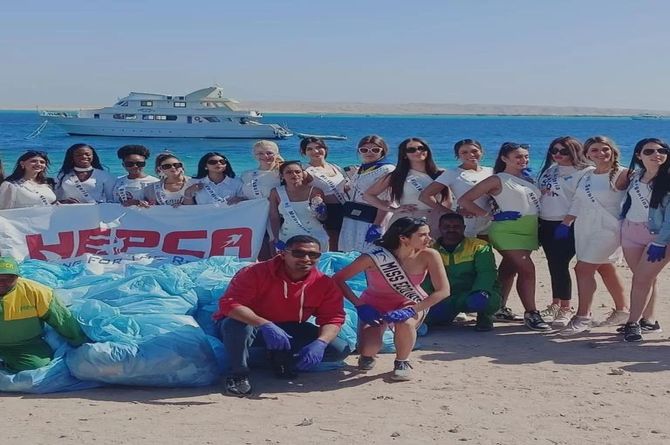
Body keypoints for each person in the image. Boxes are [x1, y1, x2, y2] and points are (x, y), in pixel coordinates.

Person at [214, 235, 350, 396]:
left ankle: (279, 358)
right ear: (283, 254)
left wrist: (321, 342)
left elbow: (333, 317)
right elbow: (229, 304)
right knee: (235, 326)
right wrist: (264, 324)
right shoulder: (254, 272)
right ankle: (238, 374)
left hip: (288, 327)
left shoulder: (324, 283)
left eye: (313, 255)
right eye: (299, 253)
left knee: (339, 349)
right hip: (252, 325)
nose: (306, 259)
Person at [333, 217, 450, 381]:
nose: (430, 239)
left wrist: (412, 310)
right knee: (368, 349)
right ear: (403, 238)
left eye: (428, 234)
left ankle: (402, 361)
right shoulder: (373, 257)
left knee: (406, 323)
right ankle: (367, 356)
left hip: (410, 302)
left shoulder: (430, 255)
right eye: (423, 235)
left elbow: (443, 291)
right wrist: (360, 306)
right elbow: (338, 279)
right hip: (373, 304)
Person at [458, 142, 549, 330]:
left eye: (525, 156)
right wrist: (489, 216)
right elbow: (464, 200)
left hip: (529, 230)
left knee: (509, 271)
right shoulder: (497, 179)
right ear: (504, 158)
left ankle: (496, 308)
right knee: (528, 270)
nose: (523, 160)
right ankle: (531, 313)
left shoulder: (529, 179)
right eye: (518, 156)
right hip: (507, 231)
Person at [558, 136, 630, 336]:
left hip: (608, 228)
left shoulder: (623, 174)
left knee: (583, 269)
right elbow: (578, 201)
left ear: (613, 151)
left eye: (605, 149)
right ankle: (622, 310)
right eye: (595, 150)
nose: (601, 154)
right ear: (587, 154)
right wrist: (566, 222)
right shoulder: (587, 174)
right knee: (605, 267)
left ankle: (583, 316)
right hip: (585, 226)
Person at [536, 136, 593, 328]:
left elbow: (580, 200)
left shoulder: (585, 171)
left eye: (564, 151)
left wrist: (567, 222)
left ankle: (566, 308)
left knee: (561, 264)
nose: (558, 154)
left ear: (574, 151)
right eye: (554, 151)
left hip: (567, 224)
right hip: (546, 222)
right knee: (553, 264)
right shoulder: (551, 169)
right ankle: (555, 303)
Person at [619, 138, 670, 341]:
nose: (656, 154)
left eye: (662, 150)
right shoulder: (635, 176)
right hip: (631, 233)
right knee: (646, 278)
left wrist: (660, 241)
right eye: (649, 151)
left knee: (641, 279)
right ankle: (648, 321)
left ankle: (632, 323)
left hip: (658, 237)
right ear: (639, 155)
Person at [0, 256, 89, 372]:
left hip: (25, 345)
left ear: (18, 277)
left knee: (38, 367)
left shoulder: (38, 293)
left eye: (9, 278)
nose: (2, 283)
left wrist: (81, 344)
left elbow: (63, 320)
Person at [423, 213, 502, 332]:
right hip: (446, 297)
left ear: (464, 228)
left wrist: (481, 291)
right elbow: (425, 277)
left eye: (456, 226)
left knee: (484, 300)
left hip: (471, 294)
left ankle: (484, 317)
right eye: (447, 226)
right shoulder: (429, 250)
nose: (451, 229)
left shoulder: (480, 246)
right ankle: (447, 315)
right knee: (433, 318)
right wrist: (428, 299)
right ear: (439, 228)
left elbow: (487, 272)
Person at [419, 139, 493, 238]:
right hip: (469, 222)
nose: (471, 155)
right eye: (464, 152)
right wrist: (452, 213)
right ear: (458, 156)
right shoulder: (452, 173)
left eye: (474, 151)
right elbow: (425, 196)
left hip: (492, 221)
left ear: (481, 152)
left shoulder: (491, 171)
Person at [363, 137, 442, 230]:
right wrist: (393, 210)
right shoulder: (397, 175)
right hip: (407, 223)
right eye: (411, 150)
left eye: (421, 148)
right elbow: (368, 195)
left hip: (437, 221)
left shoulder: (440, 173)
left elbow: (447, 201)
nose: (418, 152)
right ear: (404, 154)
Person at [339, 135, 395, 253]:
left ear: (383, 151)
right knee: (350, 253)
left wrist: (377, 225)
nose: (369, 153)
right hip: (354, 217)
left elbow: (387, 199)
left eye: (375, 150)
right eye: (364, 150)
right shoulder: (362, 169)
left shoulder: (387, 170)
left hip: (372, 217)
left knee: (369, 253)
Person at [302, 137, 350, 251]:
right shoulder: (305, 170)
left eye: (319, 147)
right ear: (304, 152)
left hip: (345, 208)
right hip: (327, 212)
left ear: (325, 149)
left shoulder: (335, 167)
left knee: (346, 245)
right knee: (332, 246)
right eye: (310, 149)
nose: (315, 151)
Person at [269, 161, 329, 251]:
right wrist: (276, 238)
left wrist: (321, 211)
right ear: (282, 176)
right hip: (287, 236)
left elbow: (323, 218)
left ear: (302, 174)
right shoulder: (276, 192)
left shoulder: (315, 191)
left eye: (297, 172)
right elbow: (274, 217)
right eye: (289, 172)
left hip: (314, 236)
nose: (294, 174)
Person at [239, 140, 284, 260]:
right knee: (260, 252)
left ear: (276, 153)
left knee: (277, 251)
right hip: (255, 219)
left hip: (279, 219)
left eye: (269, 153)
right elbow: (247, 196)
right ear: (255, 156)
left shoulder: (282, 173)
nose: (265, 156)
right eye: (260, 153)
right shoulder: (246, 175)